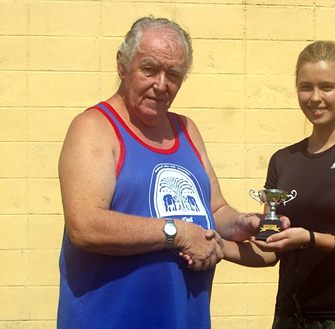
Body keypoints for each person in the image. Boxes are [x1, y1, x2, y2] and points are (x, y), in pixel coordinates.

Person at [57, 16, 266, 329]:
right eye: (150, 69)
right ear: (122, 65)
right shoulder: (94, 128)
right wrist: (177, 233)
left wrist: (242, 223)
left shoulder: (186, 130)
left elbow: (214, 208)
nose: (161, 84)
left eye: (174, 74)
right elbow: (85, 225)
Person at [226, 40, 335, 329]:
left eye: (326, 87)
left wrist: (311, 238)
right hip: (290, 319)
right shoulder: (282, 160)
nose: (315, 97)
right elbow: (271, 251)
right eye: (306, 87)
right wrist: (218, 246)